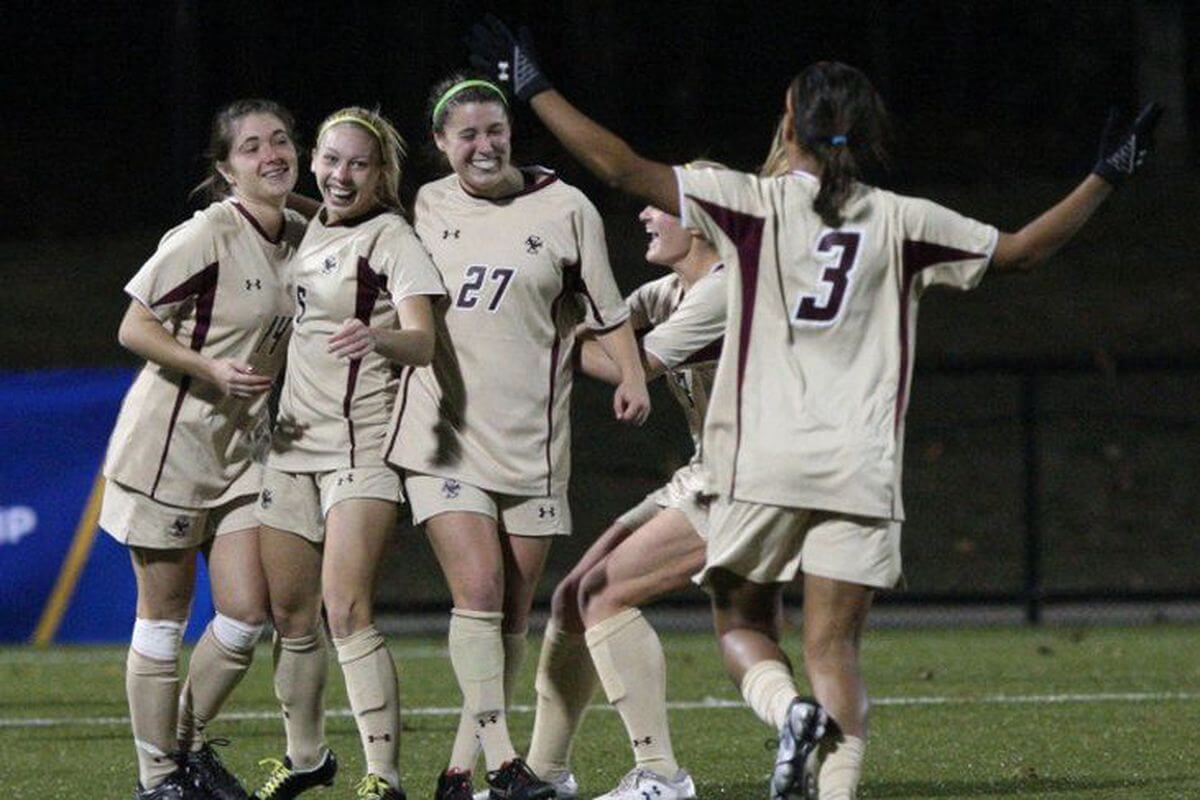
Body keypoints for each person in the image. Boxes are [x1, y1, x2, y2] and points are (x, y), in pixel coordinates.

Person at [467, 18, 1163, 800]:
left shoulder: (756, 208)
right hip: (859, 469)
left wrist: (533, 85)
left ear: (789, 123)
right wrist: (1107, 174)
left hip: (759, 461)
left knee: (742, 629)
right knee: (835, 653)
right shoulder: (904, 221)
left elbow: (624, 169)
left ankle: (772, 719)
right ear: (868, 135)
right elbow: (1024, 250)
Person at [382, 74, 650, 800]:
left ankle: (458, 772)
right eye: (465, 134)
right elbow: (350, 237)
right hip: (441, 435)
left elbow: (607, 308)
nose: (482, 145)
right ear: (440, 145)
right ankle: (507, 766)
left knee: (510, 615)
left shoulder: (567, 209)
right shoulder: (422, 205)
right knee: (478, 589)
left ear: (510, 133)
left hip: (533, 444)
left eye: (493, 130)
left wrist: (632, 375)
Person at [100, 98, 307, 800]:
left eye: (280, 141)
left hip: (245, 453)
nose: (271, 154)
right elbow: (134, 326)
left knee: (250, 614)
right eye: (251, 148)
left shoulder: (305, 235)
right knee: (164, 618)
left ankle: (181, 749)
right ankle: (157, 777)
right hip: (171, 449)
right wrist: (210, 367)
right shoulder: (204, 235)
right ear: (225, 170)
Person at [253, 106, 444, 800]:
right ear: (313, 160)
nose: (342, 173)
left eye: (358, 163)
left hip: (361, 447)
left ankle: (384, 777)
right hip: (290, 447)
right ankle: (305, 760)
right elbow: (294, 208)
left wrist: (378, 338)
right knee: (291, 616)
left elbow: (423, 341)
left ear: (380, 172)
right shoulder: (306, 231)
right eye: (331, 159)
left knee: (347, 609)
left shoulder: (393, 237)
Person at [521, 198, 729, 800]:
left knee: (605, 596)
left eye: (661, 206)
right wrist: (566, 308)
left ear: (700, 223)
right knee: (569, 601)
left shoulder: (724, 291)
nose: (642, 212)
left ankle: (662, 776)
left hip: (753, 481)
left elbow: (633, 365)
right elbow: (604, 327)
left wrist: (557, 332)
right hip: (707, 473)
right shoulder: (671, 290)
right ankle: (543, 777)